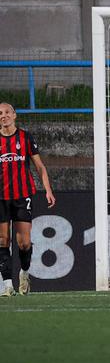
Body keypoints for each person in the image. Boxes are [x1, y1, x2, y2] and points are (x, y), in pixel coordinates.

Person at [0, 102, 56, 297]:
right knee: (2, 240)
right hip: (1, 198)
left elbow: (40, 167)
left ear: (14, 115)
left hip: (23, 196)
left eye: (7, 112)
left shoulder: (25, 138)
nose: (3, 116)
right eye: (0, 113)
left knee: (23, 242)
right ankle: (7, 284)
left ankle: (24, 273)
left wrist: (47, 189)